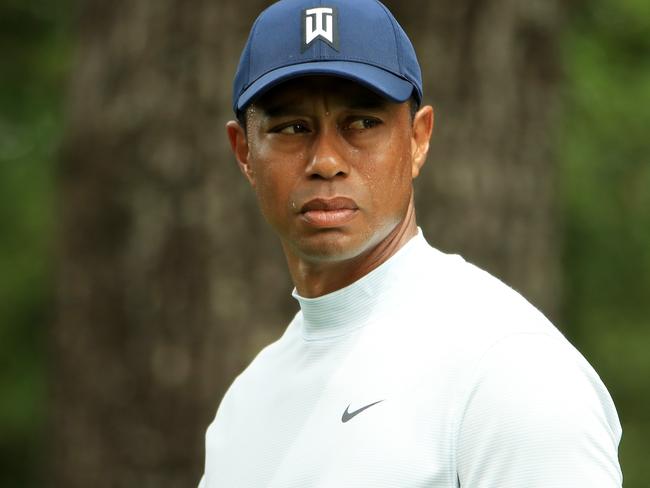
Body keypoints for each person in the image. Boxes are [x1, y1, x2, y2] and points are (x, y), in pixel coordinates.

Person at [199, 0, 622, 486]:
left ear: (419, 139)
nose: (327, 160)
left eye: (362, 123)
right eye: (293, 128)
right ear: (244, 152)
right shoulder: (245, 405)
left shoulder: (509, 367)